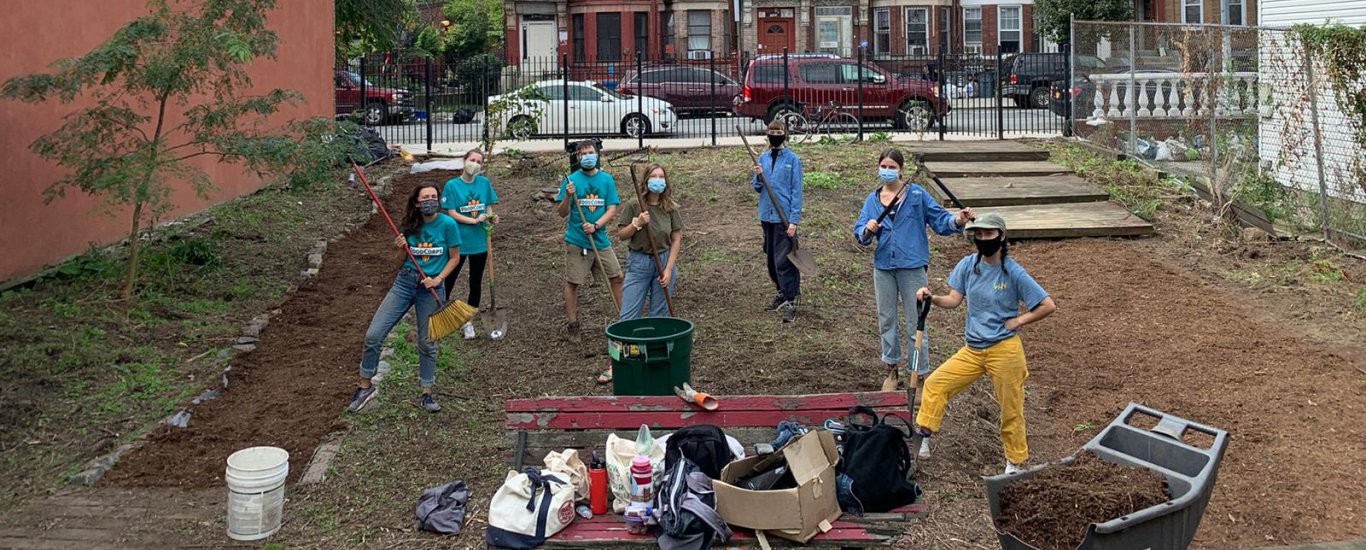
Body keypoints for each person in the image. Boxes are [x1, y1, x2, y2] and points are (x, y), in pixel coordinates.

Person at [912, 213, 1057, 474]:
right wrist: (932, 298)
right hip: (973, 349)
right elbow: (954, 299)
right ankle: (923, 437)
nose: (982, 239)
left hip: (1004, 350)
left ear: (1001, 236)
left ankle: (1015, 462)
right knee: (935, 384)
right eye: (978, 235)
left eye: (988, 234)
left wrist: (1019, 320)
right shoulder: (969, 265)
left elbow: (1047, 305)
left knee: (1011, 407)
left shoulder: (1013, 272)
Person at [853, 148, 973, 392]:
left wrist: (958, 221)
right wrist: (867, 229)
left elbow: (941, 221)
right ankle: (891, 369)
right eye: (883, 166)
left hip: (912, 267)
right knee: (886, 319)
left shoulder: (917, 195)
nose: (886, 171)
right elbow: (860, 234)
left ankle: (917, 374)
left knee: (916, 323)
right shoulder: (872, 199)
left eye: (891, 167)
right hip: (884, 268)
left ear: (901, 170)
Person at [348, 183, 462, 414]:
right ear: (417, 203)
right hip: (404, 283)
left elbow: (454, 258)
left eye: (434, 196)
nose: (431, 200)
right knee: (373, 334)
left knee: (427, 342)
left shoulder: (448, 224)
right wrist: (401, 248)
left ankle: (427, 392)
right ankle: (364, 385)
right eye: (425, 197)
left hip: (430, 288)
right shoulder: (411, 225)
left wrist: (438, 279)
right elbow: (397, 263)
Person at [555, 140, 624, 350]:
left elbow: (612, 209)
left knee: (617, 276)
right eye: (583, 153)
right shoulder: (571, 181)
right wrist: (567, 195)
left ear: (597, 154)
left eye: (591, 152)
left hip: (600, 239)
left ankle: (625, 319)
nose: (587, 156)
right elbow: (562, 212)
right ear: (577, 157)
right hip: (577, 241)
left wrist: (596, 225)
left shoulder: (606, 179)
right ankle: (573, 324)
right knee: (574, 282)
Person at [441, 148, 500, 339]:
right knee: (449, 279)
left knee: (475, 282)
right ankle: (442, 315)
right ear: (464, 160)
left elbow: (487, 206)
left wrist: (491, 217)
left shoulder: (483, 183)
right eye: (472, 160)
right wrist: (473, 221)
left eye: (479, 162)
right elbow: (451, 212)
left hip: (479, 242)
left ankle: (468, 322)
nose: (475, 164)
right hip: (458, 241)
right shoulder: (452, 185)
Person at [750, 120, 804, 323]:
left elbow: (796, 191)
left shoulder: (792, 159)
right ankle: (781, 291)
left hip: (784, 218)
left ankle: (790, 299)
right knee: (771, 259)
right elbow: (757, 187)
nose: (775, 134)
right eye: (771, 131)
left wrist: (794, 220)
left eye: (778, 131)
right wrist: (757, 176)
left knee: (785, 260)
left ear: (785, 134)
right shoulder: (762, 158)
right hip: (767, 216)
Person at [616, 163, 683, 321]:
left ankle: (656, 344)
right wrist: (636, 224)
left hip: (664, 260)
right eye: (653, 176)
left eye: (661, 177)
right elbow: (621, 234)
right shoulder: (635, 205)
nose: (657, 180)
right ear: (646, 180)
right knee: (629, 315)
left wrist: (668, 269)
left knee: (659, 314)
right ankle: (627, 343)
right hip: (639, 263)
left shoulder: (669, 207)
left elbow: (676, 238)